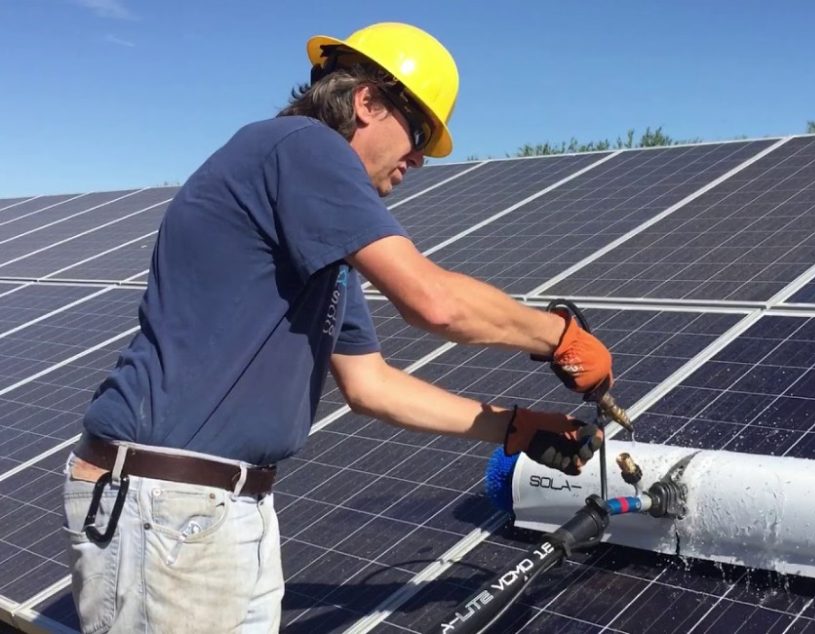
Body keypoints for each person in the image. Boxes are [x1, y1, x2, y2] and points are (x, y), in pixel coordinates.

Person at [61, 21, 613, 633]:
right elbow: (434, 302)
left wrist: (513, 428)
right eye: (420, 132)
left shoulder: (322, 246)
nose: (421, 159)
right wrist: (557, 335)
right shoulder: (302, 146)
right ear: (368, 101)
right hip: (166, 497)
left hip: (230, 507)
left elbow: (369, 385)